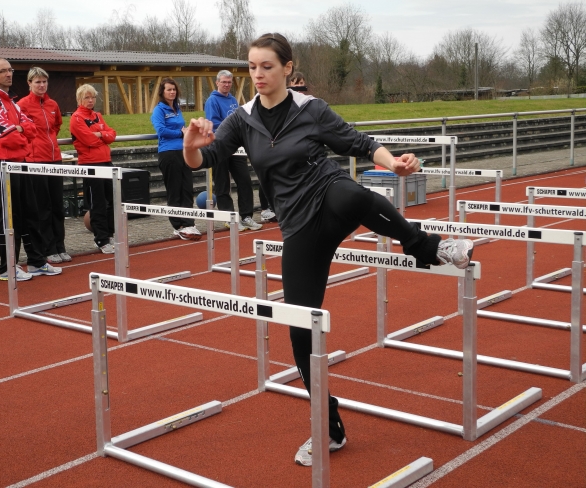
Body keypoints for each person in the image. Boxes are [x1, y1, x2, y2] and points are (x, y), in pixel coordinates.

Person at [182, 33, 474, 467]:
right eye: (252, 67)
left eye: (266, 66)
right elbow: (203, 161)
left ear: (286, 68)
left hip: (327, 193)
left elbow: (357, 141)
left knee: (353, 195)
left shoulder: (309, 108)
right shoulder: (241, 119)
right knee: (301, 332)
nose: (258, 75)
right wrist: (191, 144)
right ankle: (330, 424)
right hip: (297, 227)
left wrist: (393, 162)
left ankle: (425, 246)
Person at [0, 57, 61, 281]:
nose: (8, 74)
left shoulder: (12, 102)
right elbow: (7, 137)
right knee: (10, 216)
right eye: (3, 71)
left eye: (10, 70)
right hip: (5, 164)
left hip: (22, 162)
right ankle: (8, 267)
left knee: (31, 212)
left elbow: (31, 129)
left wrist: (20, 130)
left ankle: (36, 261)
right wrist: (21, 133)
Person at [17, 67, 71, 264]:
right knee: (43, 207)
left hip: (54, 157)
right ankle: (47, 248)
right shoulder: (22, 105)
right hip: (35, 161)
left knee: (57, 205)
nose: (41, 85)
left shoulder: (53, 104)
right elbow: (21, 129)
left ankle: (60, 245)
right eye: (37, 82)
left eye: (44, 82)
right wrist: (33, 148)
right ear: (29, 83)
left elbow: (56, 125)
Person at [205, 70, 262, 232]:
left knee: (244, 180)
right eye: (224, 82)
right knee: (222, 184)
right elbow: (214, 123)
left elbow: (239, 120)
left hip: (237, 148)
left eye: (229, 82)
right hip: (220, 147)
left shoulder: (232, 100)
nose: (227, 85)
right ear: (217, 82)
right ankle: (228, 217)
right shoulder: (212, 101)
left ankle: (246, 216)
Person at [151, 78, 202, 241]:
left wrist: (186, 132)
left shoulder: (177, 108)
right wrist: (181, 133)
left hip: (183, 152)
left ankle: (189, 222)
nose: (172, 92)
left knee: (187, 188)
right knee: (174, 190)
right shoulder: (159, 110)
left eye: (174, 89)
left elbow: (182, 127)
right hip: (168, 153)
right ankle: (178, 225)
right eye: (168, 90)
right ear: (162, 92)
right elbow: (161, 130)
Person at [70, 84, 117, 254]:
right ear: (79, 99)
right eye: (87, 98)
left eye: (93, 97)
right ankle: (101, 239)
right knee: (98, 203)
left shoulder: (97, 115)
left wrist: (101, 134)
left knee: (113, 200)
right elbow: (89, 140)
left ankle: (110, 234)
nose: (90, 101)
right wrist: (101, 134)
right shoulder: (76, 118)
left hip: (106, 161)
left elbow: (112, 134)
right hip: (90, 164)